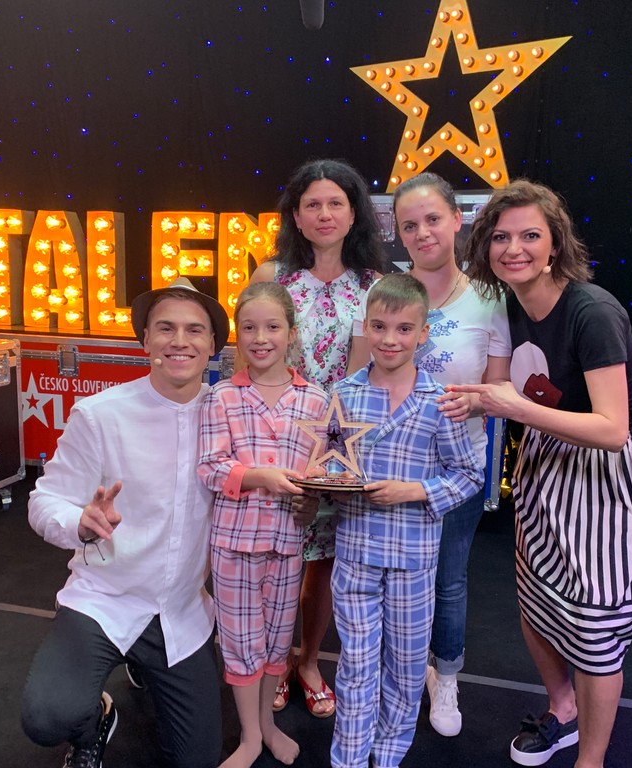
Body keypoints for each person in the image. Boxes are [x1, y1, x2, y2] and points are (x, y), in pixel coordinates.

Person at [453, 180, 632, 768]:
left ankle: (590, 760)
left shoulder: (591, 311)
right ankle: (563, 709)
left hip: (614, 475)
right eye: (500, 237)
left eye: (530, 235)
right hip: (548, 460)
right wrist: (478, 401)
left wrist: (513, 408)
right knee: (537, 599)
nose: (514, 248)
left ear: (555, 245)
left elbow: (612, 428)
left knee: (596, 627)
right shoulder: (507, 307)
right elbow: (509, 390)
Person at [20, 276, 230, 768]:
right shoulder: (100, 415)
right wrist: (80, 522)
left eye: (195, 330)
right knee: (47, 716)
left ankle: (145, 667)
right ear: (145, 341)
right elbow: (44, 501)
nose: (180, 341)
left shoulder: (228, 416)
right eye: (166, 328)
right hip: (104, 600)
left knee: (198, 760)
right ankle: (94, 720)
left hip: (181, 612)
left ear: (213, 345)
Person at [328, 273, 484, 768]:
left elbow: (469, 475)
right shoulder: (344, 395)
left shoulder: (442, 403)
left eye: (403, 329)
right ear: (366, 327)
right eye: (379, 326)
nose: (390, 339)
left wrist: (414, 490)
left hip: (414, 560)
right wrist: (324, 483)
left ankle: (389, 752)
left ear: (423, 333)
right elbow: (327, 465)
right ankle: (349, 757)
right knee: (356, 665)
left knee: (407, 665)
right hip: (355, 555)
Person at [250, 158, 385, 717]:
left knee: (323, 561)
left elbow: (361, 377)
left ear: (354, 215)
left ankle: (308, 661)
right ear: (296, 216)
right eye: (312, 204)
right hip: (274, 436)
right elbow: (252, 356)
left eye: (336, 203)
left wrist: (330, 447)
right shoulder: (271, 276)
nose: (324, 214)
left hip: (337, 443)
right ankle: (273, 661)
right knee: (276, 555)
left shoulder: (373, 286)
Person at [381, 172, 511, 737]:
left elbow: (501, 389)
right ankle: (399, 674)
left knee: (448, 581)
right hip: (392, 467)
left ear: (458, 219)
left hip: (459, 468)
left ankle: (447, 675)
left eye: (433, 219)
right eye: (409, 225)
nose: (422, 233)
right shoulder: (386, 292)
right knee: (390, 577)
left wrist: (471, 401)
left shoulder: (490, 297)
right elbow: (364, 380)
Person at [196, 282, 329, 768]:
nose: (260, 337)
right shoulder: (221, 397)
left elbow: (319, 473)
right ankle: (250, 736)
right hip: (233, 543)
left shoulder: (316, 400)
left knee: (276, 639)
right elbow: (211, 467)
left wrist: (313, 501)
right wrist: (260, 477)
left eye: (272, 326)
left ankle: (269, 727)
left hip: (287, 543)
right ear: (236, 334)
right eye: (249, 327)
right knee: (240, 642)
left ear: (291, 333)